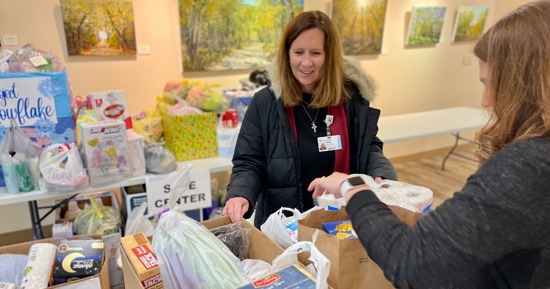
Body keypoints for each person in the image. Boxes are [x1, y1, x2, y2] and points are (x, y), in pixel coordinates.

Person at [308, 1, 550, 287]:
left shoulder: (530, 165)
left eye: (491, 84)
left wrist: (355, 188)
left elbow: (413, 262)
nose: (487, 101)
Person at [222, 10, 397, 228]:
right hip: (284, 226)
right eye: (298, 52)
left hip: (341, 223)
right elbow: (249, 162)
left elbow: (368, 148)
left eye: (315, 53)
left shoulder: (350, 99)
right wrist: (240, 194)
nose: (306, 63)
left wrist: (383, 175)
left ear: (329, 55)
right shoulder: (266, 102)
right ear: (287, 54)